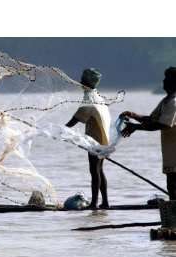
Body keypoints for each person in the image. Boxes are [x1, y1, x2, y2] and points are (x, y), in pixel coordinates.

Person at [120, 67, 176, 200]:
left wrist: (136, 127)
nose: (164, 81)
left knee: (174, 187)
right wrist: (133, 115)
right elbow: (152, 120)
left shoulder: (174, 102)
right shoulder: (166, 101)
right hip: (170, 153)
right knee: (171, 186)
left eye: (168, 79)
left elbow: (163, 125)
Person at [66, 68, 111, 209]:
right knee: (100, 169)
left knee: (94, 170)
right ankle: (105, 202)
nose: (80, 82)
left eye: (83, 80)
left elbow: (76, 118)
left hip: (95, 140)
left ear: (87, 82)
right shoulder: (98, 96)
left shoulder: (89, 98)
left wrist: (63, 129)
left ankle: (94, 204)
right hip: (104, 139)